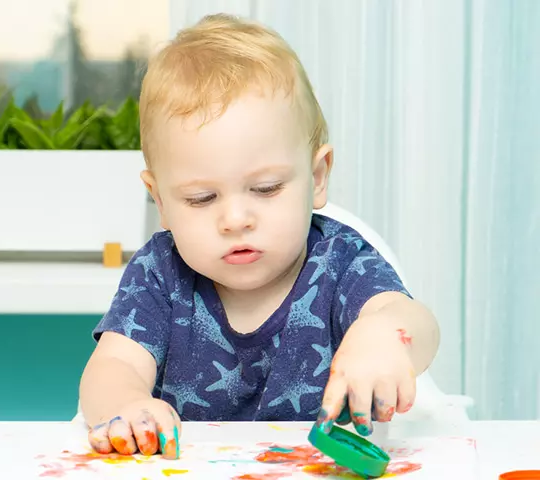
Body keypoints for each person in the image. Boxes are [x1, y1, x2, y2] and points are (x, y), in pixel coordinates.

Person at [78, 13, 440, 460]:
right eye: (201, 197)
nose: (235, 218)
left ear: (317, 176)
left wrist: (385, 334)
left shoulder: (339, 260)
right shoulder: (159, 274)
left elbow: (417, 323)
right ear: (161, 201)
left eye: (266, 189)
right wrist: (126, 405)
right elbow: (111, 366)